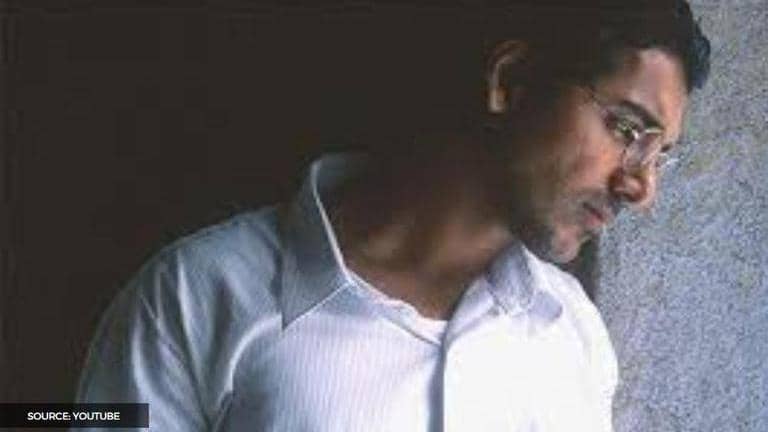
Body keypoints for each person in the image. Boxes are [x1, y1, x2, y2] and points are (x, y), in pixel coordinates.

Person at [75, 1, 711, 431]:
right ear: (510, 81)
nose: (641, 187)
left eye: (662, 156)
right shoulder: (195, 297)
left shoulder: (573, 335)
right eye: (627, 129)